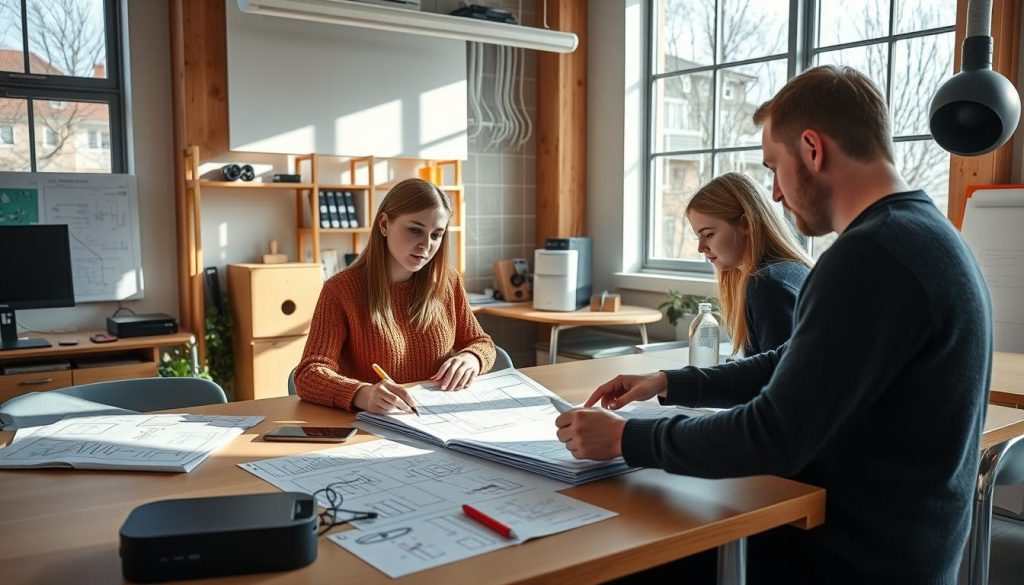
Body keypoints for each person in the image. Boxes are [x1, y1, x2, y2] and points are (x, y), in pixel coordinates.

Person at [555, 65, 991, 584]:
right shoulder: (925, 236)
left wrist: (627, 440)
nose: (776, 194)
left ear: (812, 148)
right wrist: (672, 383)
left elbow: (771, 435)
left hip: (848, 559)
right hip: (905, 547)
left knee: (610, 556)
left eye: (773, 167)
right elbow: (795, 362)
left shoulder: (870, 256)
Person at [295, 178, 496, 414]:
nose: (426, 245)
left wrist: (472, 358)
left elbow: (482, 343)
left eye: (436, 235)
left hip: (439, 420)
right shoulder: (341, 290)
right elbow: (308, 374)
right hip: (374, 430)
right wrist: (361, 393)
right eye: (415, 230)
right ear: (384, 224)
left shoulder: (447, 281)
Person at [686, 172, 810, 356]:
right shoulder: (791, 270)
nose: (701, 247)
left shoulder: (767, 283)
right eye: (698, 236)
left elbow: (773, 378)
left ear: (745, 224)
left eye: (709, 234)